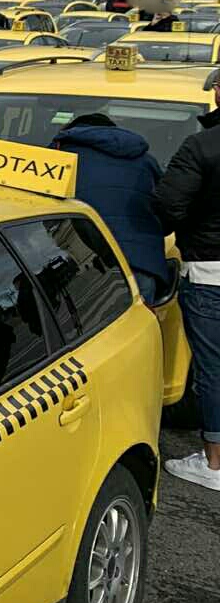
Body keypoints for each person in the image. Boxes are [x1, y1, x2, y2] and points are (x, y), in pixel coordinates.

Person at [154, 75, 220, 491]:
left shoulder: (203, 145)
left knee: (213, 368)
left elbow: (167, 205)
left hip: (211, 272)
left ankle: (214, 464)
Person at [51, 113, 168, 302]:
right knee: (141, 326)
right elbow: (167, 207)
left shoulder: (57, 158)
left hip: (93, 267)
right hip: (141, 262)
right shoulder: (145, 159)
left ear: (73, 131)